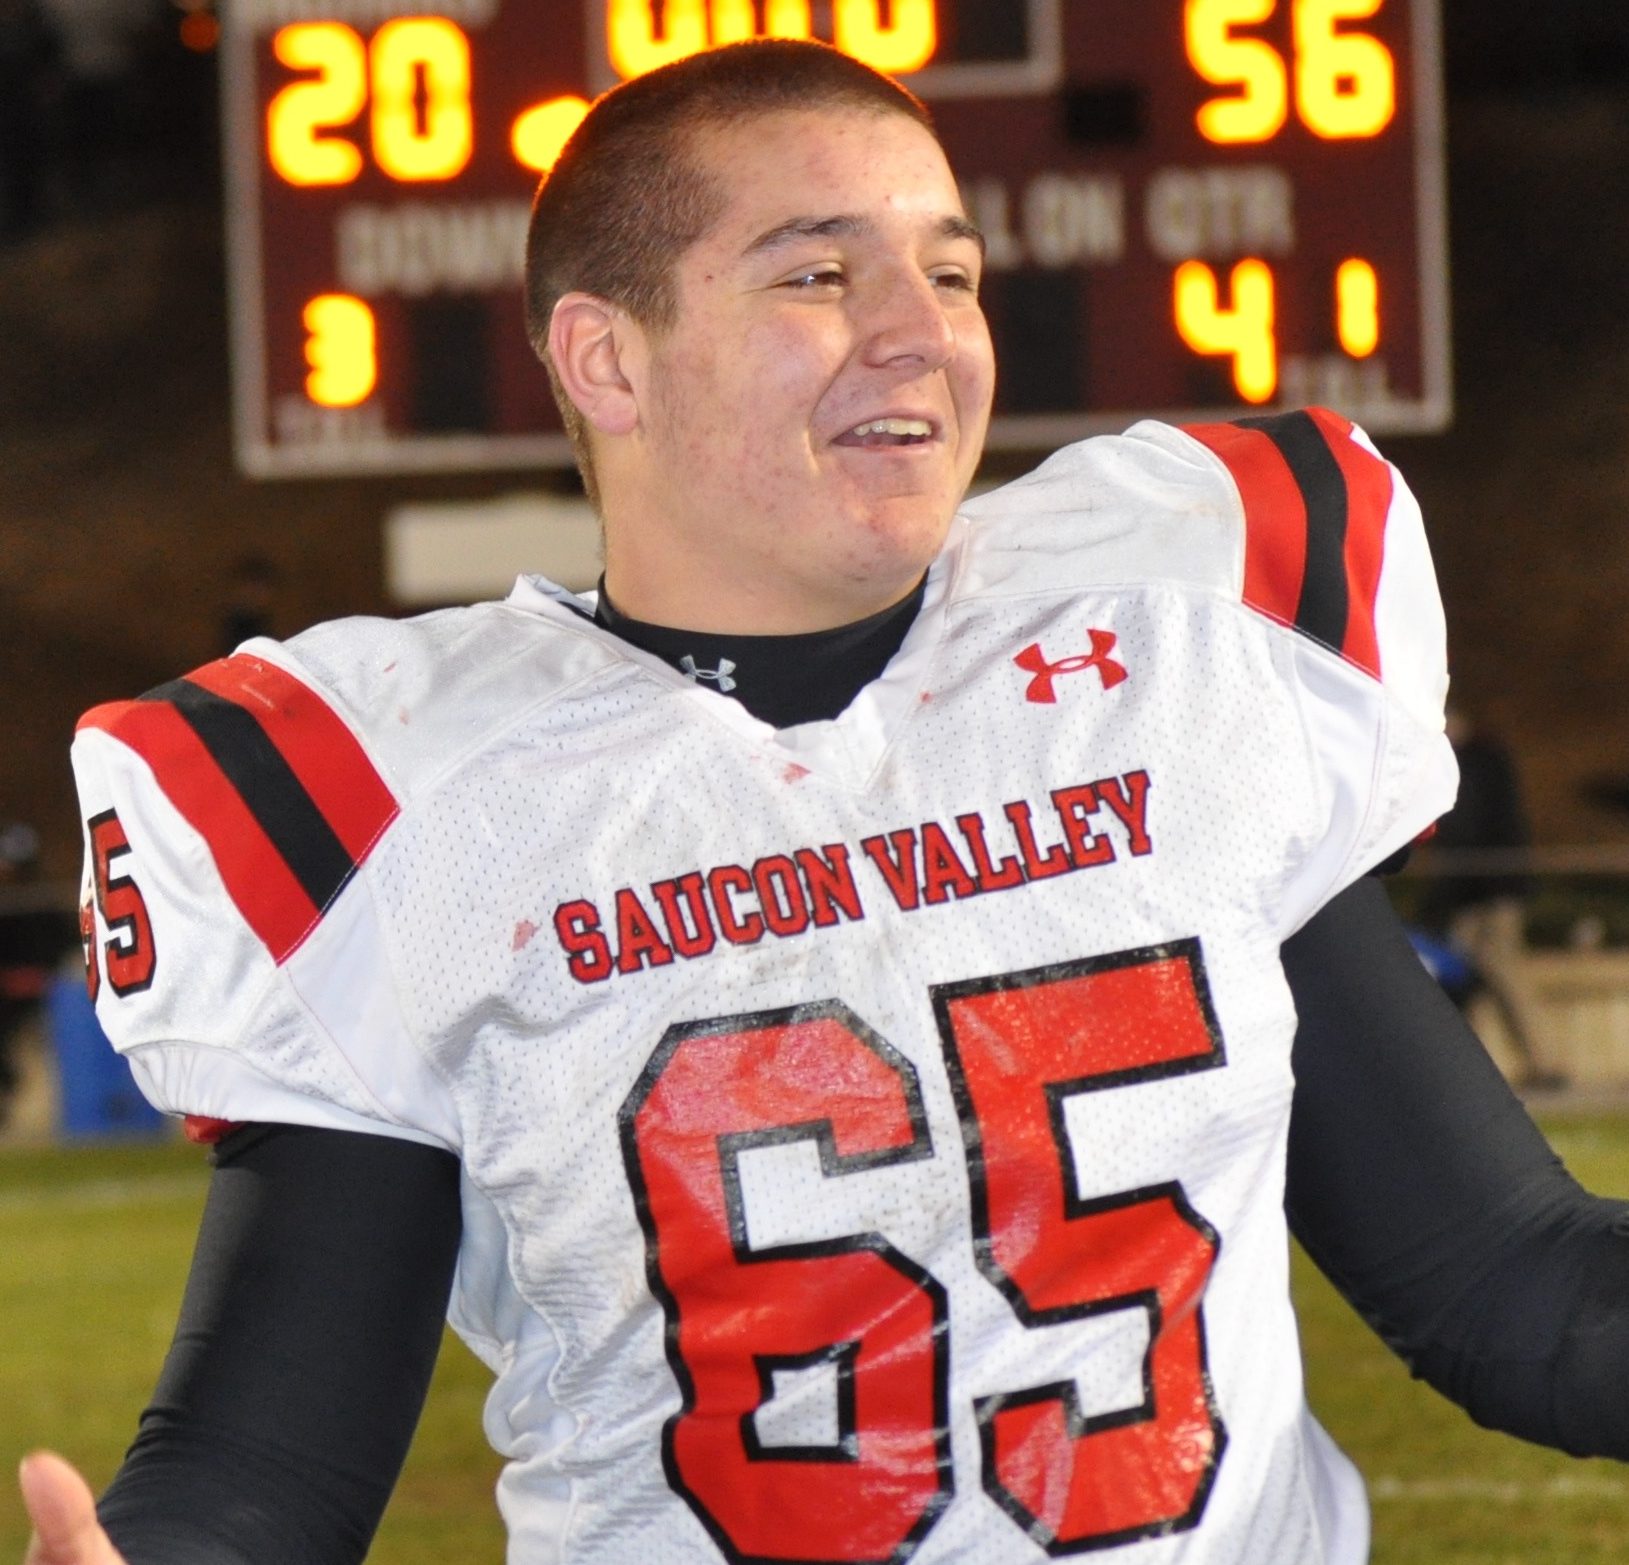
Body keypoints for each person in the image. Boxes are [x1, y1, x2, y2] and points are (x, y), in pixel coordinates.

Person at [24, 38, 1629, 1565]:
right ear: (607, 358)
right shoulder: (407, 802)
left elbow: (1514, 1291)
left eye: (948, 270)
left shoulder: (1177, 652)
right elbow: (260, 1476)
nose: (918, 328)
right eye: (815, 273)